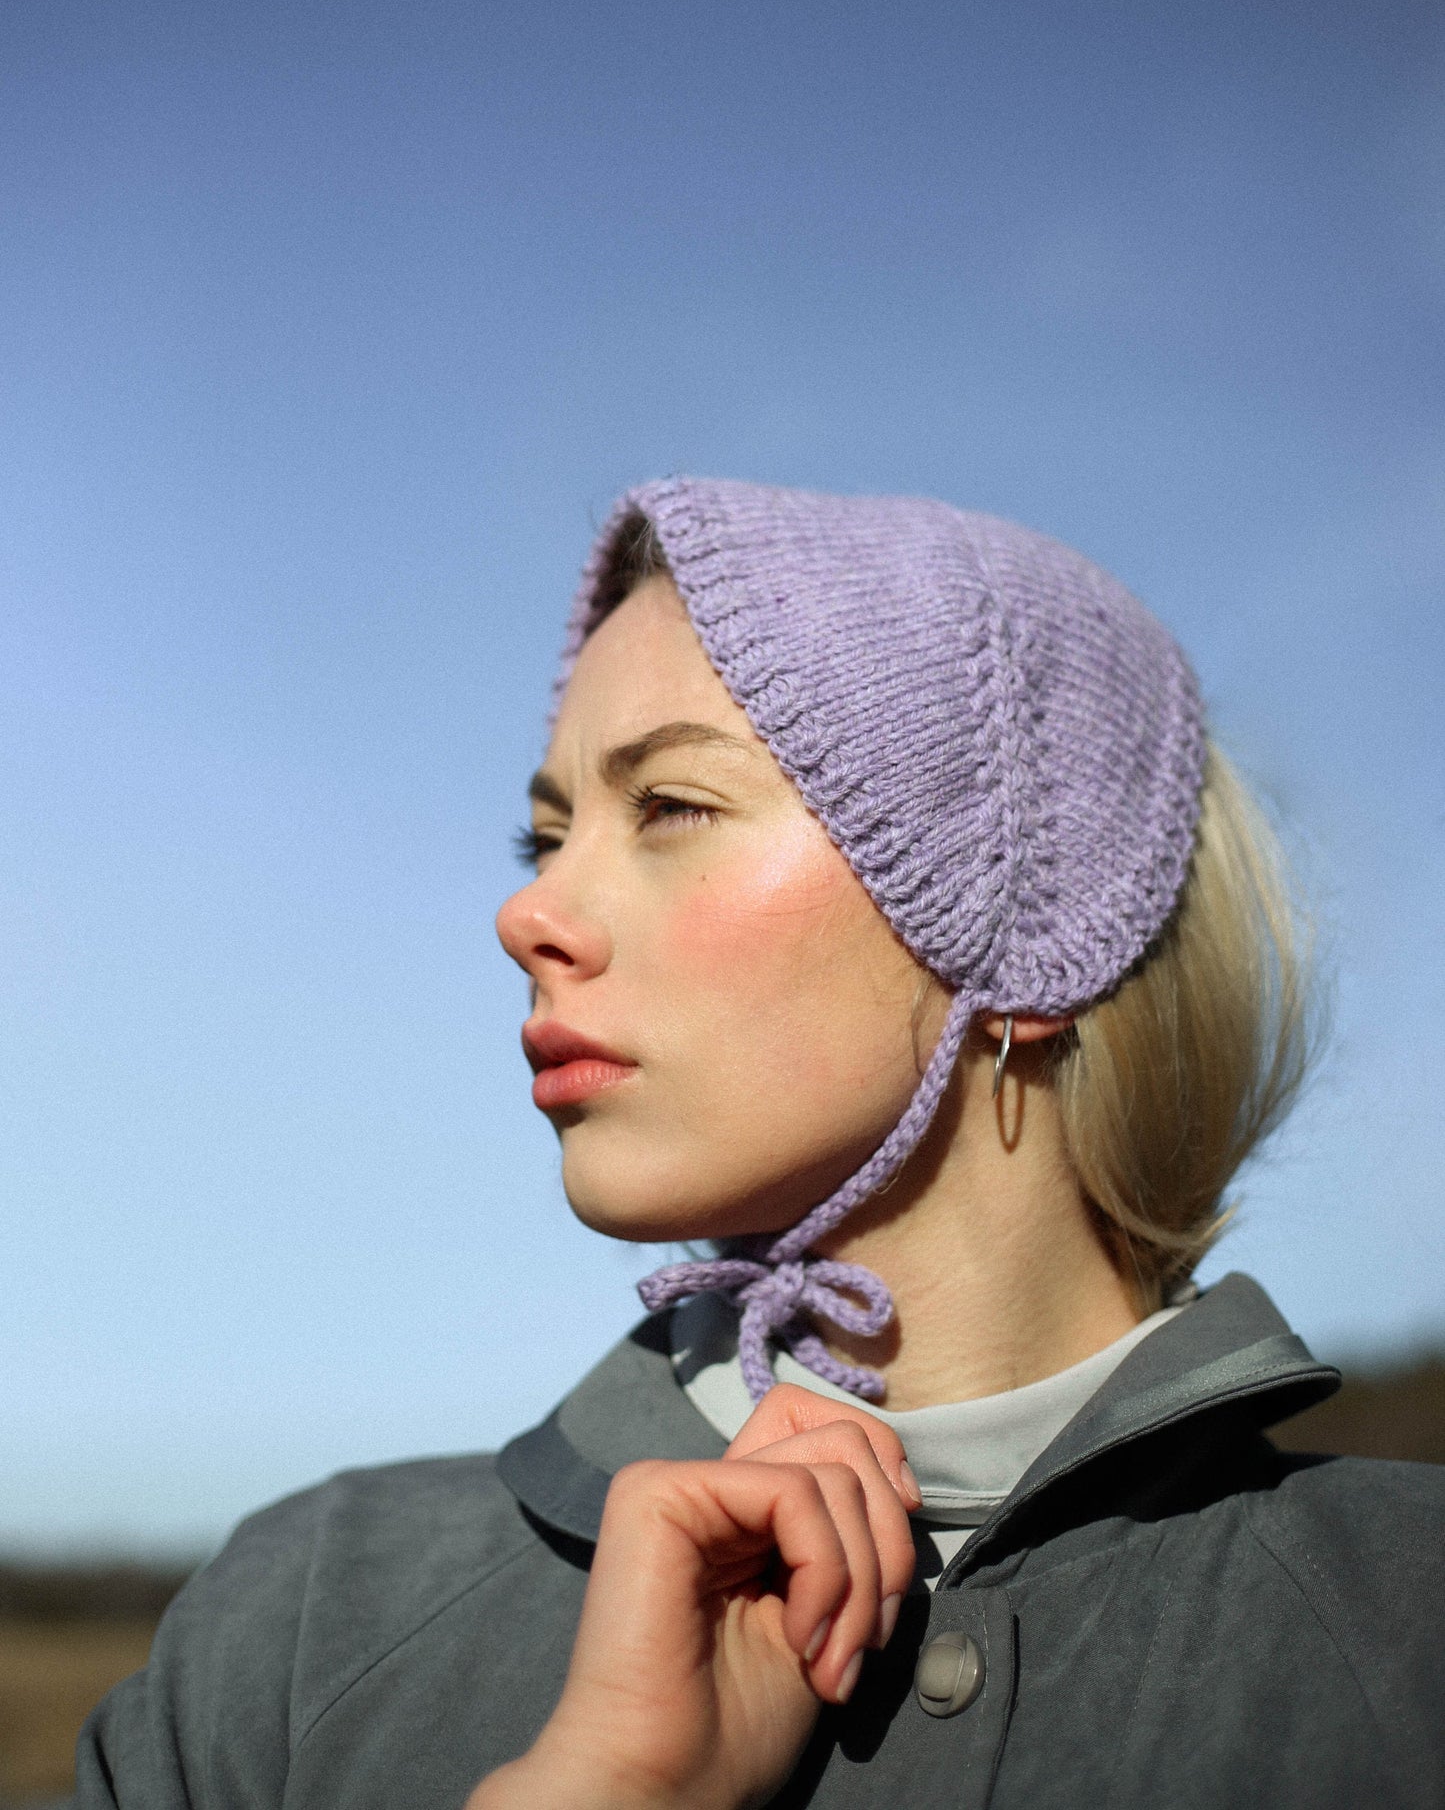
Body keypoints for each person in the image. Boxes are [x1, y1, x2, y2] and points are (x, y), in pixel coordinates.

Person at [80, 478, 1444, 1810]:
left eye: (669, 805)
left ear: (1036, 926)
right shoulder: (300, 1630)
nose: (526, 913)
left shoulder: (1410, 1624)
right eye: (545, 834)